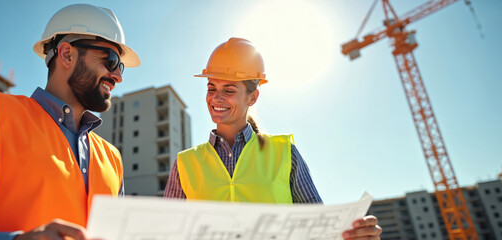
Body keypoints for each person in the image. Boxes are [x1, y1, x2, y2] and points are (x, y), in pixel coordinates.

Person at [0, 4, 139, 240]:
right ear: (67, 54)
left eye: (120, 66)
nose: (118, 76)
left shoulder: (112, 158)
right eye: (111, 60)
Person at [164, 37, 382, 239]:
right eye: (211, 88)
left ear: (253, 97)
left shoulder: (285, 153)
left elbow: (320, 230)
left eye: (229, 90)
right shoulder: (185, 163)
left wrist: (354, 236)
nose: (216, 98)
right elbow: (165, 232)